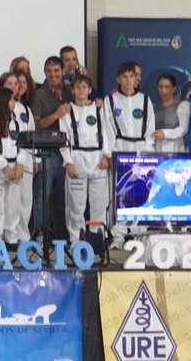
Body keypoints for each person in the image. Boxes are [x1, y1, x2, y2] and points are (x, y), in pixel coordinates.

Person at [104, 61, 155, 248]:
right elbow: (107, 129)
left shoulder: (145, 100)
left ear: (136, 79)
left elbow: (150, 128)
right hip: (120, 146)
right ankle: (118, 233)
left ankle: (138, 233)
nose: (127, 80)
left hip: (140, 147)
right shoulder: (111, 100)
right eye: (124, 76)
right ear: (118, 79)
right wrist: (108, 154)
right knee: (118, 192)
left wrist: (148, 152)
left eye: (131, 76)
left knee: (140, 191)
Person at [58, 75, 110, 249]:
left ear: (90, 90)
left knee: (99, 202)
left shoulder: (100, 109)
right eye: (77, 87)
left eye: (84, 87)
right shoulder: (66, 111)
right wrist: (68, 162)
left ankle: (97, 237)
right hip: (77, 157)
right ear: (72, 90)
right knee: (75, 203)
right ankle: (76, 239)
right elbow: (63, 139)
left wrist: (106, 155)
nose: (81, 91)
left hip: (97, 158)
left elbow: (109, 134)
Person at [30, 56, 73, 242]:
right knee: (43, 194)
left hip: (69, 151)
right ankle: (40, 233)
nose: (53, 74)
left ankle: (64, 234)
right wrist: (57, 114)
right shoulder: (40, 94)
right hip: (47, 151)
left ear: (63, 71)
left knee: (66, 195)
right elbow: (36, 125)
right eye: (49, 71)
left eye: (56, 70)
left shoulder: (71, 91)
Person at [0, 88, 24, 247]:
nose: (14, 103)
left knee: (13, 203)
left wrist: (20, 164)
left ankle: (11, 236)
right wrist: (4, 166)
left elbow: (23, 144)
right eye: (11, 100)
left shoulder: (16, 122)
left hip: (15, 165)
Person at [6, 70, 39, 242]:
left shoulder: (26, 109)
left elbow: (31, 134)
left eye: (19, 83)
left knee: (26, 200)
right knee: (9, 202)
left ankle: (23, 237)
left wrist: (35, 159)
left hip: (25, 158)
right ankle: (9, 236)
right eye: (12, 83)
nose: (17, 87)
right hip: (8, 159)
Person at [153, 73, 190, 152]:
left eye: (167, 87)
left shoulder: (182, 106)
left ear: (174, 89)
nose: (163, 90)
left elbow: (184, 129)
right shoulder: (154, 108)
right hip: (158, 150)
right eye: (160, 86)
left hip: (176, 149)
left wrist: (165, 134)